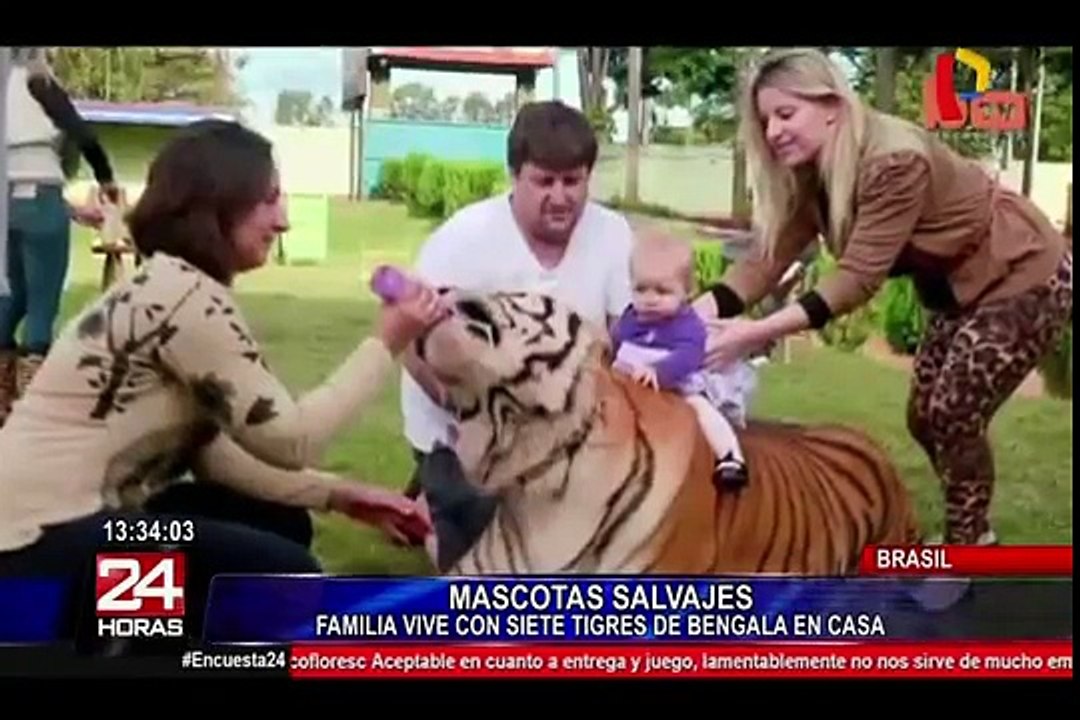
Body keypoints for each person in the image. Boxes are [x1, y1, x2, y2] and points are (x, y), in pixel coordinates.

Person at [0, 119, 442, 648]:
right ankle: (117, 644)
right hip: (35, 548)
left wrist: (341, 496)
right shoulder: (185, 298)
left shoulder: (170, 284)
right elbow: (292, 439)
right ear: (219, 204)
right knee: (282, 575)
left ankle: (137, 640)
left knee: (276, 521)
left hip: (62, 532)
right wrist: (387, 341)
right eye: (269, 200)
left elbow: (216, 459)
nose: (283, 221)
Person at [694, 48, 1072, 545]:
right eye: (766, 121)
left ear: (832, 106)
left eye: (786, 114)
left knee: (952, 412)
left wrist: (753, 333)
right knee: (924, 418)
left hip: (1023, 268)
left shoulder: (894, 160)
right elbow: (766, 261)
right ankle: (971, 517)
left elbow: (857, 278)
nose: (773, 132)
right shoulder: (813, 173)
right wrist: (691, 315)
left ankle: (969, 544)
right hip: (955, 287)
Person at [400, 100, 635, 570]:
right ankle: (436, 512)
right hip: (461, 427)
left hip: (567, 424)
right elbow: (408, 338)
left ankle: (431, 507)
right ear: (514, 175)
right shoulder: (464, 238)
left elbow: (624, 332)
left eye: (572, 181)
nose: (561, 196)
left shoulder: (612, 233)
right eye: (544, 181)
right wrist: (461, 406)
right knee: (488, 571)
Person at [1, 48, 117, 426]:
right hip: (42, 198)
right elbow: (82, 135)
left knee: (9, 300)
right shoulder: (39, 82)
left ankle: (2, 402)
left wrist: (67, 210)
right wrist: (106, 179)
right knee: (41, 305)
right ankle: (32, 410)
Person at [610, 230, 750, 489]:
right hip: (630, 378)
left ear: (687, 292)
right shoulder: (630, 317)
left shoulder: (687, 325)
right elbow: (617, 340)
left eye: (662, 291)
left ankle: (730, 456)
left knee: (701, 409)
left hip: (677, 382)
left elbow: (689, 355)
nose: (650, 299)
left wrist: (659, 371)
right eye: (641, 289)